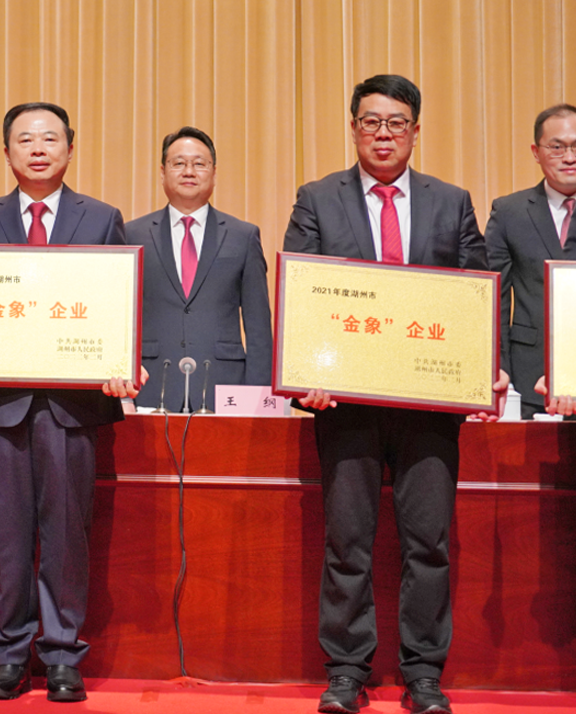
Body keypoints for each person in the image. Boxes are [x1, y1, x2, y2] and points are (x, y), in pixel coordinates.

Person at [283, 74, 507, 714]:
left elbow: (476, 293)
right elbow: (302, 291)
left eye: (396, 123)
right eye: (371, 122)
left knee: (428, 543)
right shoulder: (317, 198)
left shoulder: (451, 202)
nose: (383, 134)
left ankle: (424, 674)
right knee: (347, 542)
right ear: (354, 127)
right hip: (346, 404)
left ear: (415, 130)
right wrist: (304, 373)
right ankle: (346, 671)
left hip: (428, 406)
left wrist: (482, 368)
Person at [0, 102, 139, 703]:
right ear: (6, 152)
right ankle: (8, 655)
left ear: (70, 148)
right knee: (8, 538)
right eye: (25, 139)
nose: (38, 149)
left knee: (67, 535)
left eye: (50, 139)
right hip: (3, 406)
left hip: (73, 409)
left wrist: (123, 362)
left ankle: (63, 655)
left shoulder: (102, 218)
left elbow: (119, 303)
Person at [125, 126, 271, 412]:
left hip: (224, 383)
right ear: (162, 172)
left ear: (214, 173)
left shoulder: (243, 236)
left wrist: (259, 399)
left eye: (199, 164)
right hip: (150, 382)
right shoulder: (132, 234)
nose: (189, 171)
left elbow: (258, 328)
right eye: (178, 163)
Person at [486, 104, 576, 418]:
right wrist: (499, 367)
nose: (569, 157)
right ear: (536, 152)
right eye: (557, 147)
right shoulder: (509, 212)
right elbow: (495, 298)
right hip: (528, 375)